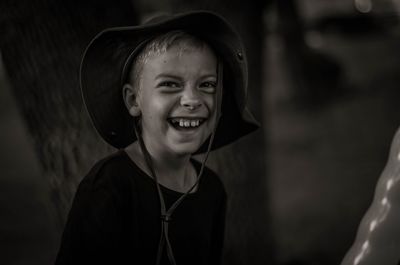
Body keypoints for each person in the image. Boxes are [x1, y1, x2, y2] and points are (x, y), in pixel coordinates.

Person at [55, 10, 259, 265]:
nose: (192, 100)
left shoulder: (211, 189)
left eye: (207, 85)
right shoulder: (109, 188)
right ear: (133, 100)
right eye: (170, 84)